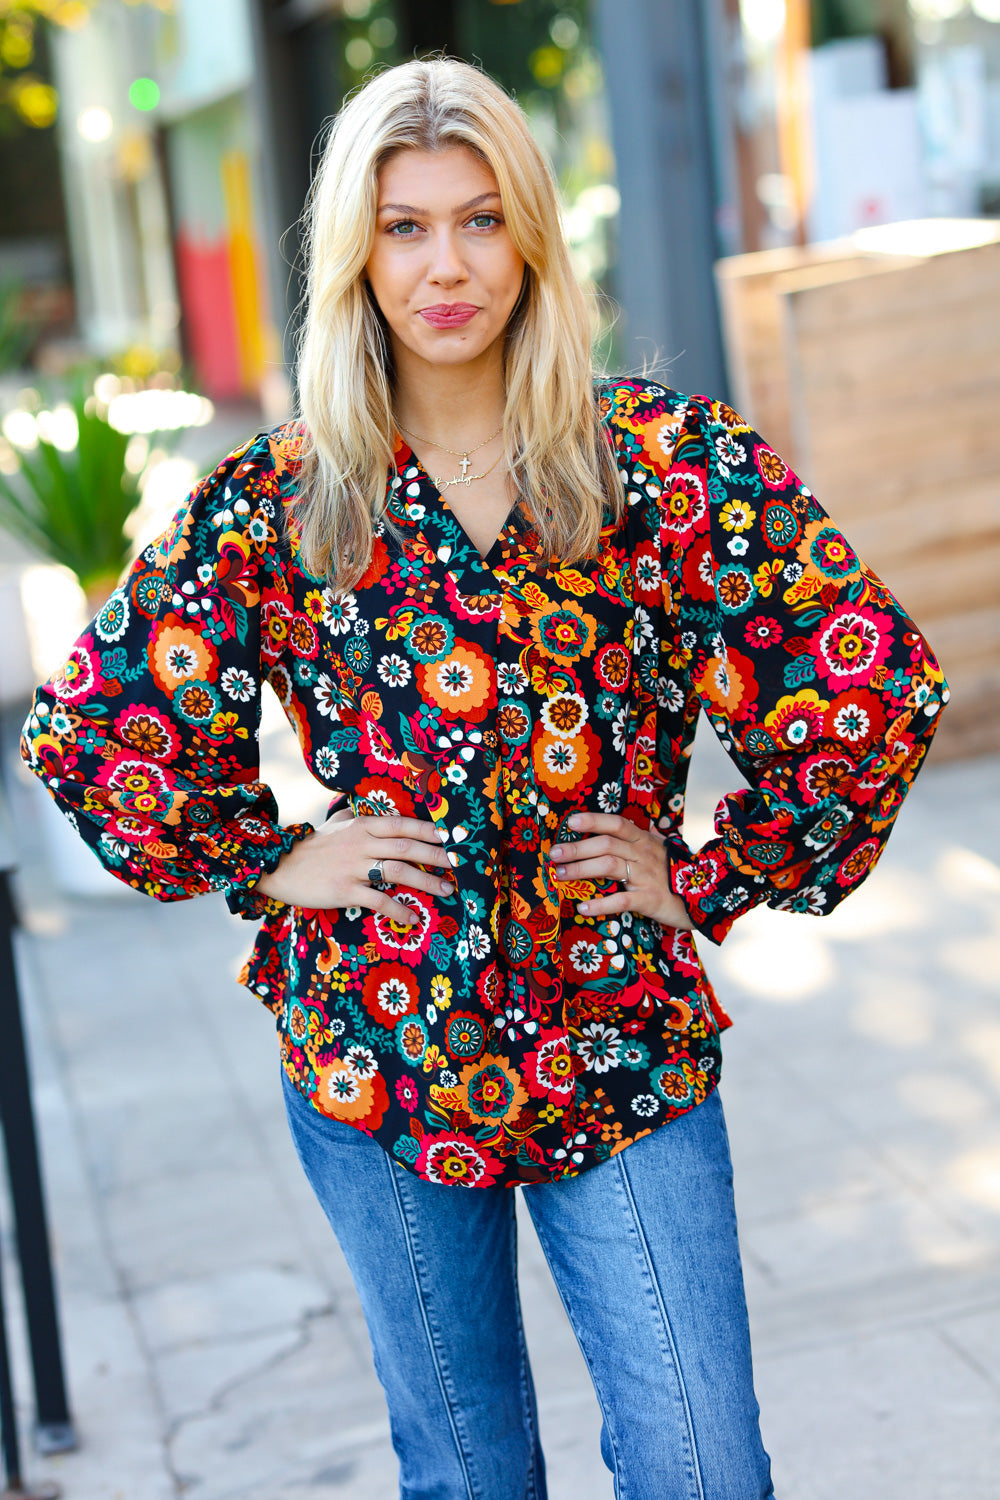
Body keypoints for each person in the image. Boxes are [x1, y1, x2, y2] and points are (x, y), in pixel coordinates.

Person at [21, 58, 948, 1500]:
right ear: (356, 252)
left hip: (615, 1034)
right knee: (468, 1478)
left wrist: (711, 871)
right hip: (377, 1048)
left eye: (479, 219)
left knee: (703, 1464)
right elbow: (94, 725)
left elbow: (868, 682)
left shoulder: (658, 460)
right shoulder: (286, 494)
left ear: (531, 238)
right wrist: (270, 860)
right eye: (403, 227)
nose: (445, 266)